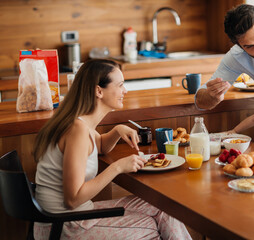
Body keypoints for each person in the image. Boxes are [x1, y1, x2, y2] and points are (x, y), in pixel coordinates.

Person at [33, 59, 191, 239]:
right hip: (65, 226)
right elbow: (73, 199)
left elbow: (97, 146)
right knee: (152, 226)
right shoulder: (77, 130)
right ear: (98, 91)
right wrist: (117, 167)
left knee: (164, 206)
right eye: (121, 85)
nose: (126, 90)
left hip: (70, 217)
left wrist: (117, 131)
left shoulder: (79, 122)